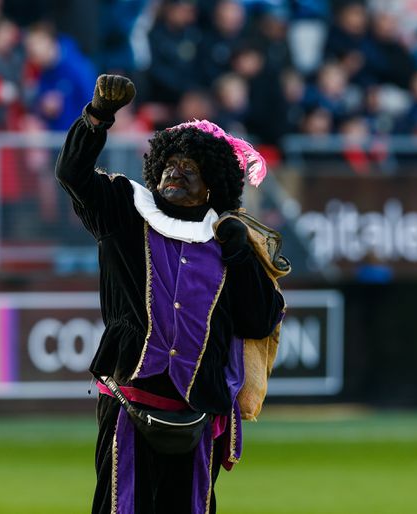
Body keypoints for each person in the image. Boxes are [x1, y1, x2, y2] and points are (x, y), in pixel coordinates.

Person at [56, 74, 285, 514]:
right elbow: (71, 173)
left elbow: (260, 320)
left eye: (190, 169)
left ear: (213, 185)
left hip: (196, 412)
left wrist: (240, 257)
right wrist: (97, 117)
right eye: (170, 163)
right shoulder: (123, 208)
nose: (174, 172)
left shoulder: (229, 240)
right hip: (128, 399)